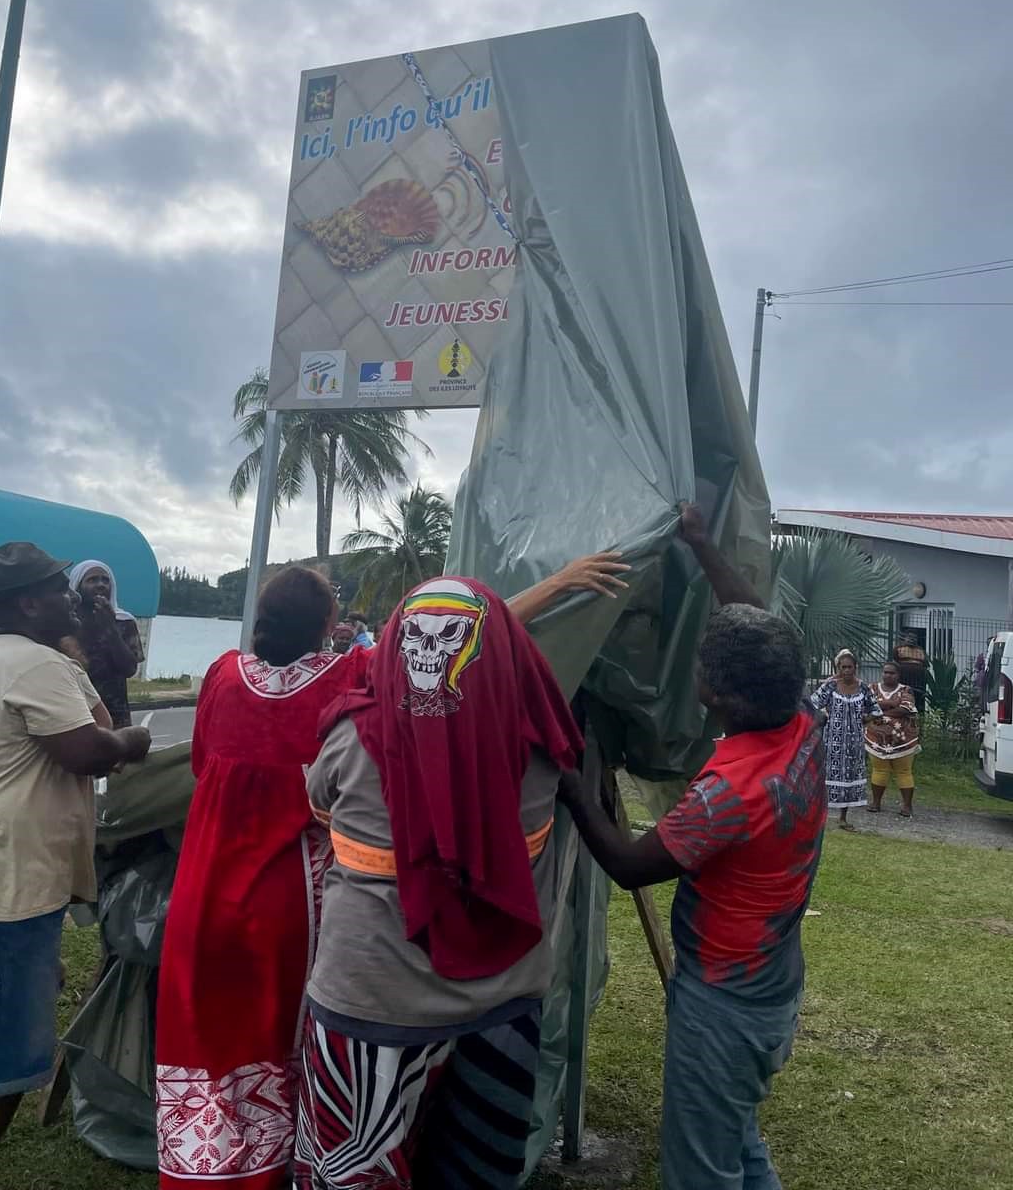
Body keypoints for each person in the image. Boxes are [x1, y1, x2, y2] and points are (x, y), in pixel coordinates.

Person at [157, 552, 627, 1190]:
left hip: (238, 911)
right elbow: (477, 634)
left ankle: (225, 1166)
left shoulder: (268, 694)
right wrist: (563, 584)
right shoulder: (533, 753)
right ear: (330, 624)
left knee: (237, 1050)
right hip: (423, 962)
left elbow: (301, 788)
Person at [558, 505, 825, 1190]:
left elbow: (627, 866)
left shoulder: (726, 795)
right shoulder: (800, 729)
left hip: (723, 1008)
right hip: (770, 985)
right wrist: (703, 544)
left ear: (718, 695)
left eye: (703, 665)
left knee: (700, 1170)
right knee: (738, 1145)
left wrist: (571, 781)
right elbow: (756, 622)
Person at [292, 577, 586, 1190]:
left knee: (352, 1170)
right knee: (478, 1168)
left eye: (446, 640)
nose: (428, 657)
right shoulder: (538, 747)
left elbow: (319, 809)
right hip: (501, 998)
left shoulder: (350, 737)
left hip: (370, 995)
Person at [0, 543, 150, 1190]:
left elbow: (99, 717)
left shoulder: (28, 657)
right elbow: (94, 748)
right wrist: (133, 746)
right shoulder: (32, 664)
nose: (75, 598)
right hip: (4, 887)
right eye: (61, 589)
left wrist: (79, 661)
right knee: (3, 1061)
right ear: (29, 601)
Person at [68, 560, 143, 728]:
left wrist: (110, 629)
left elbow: (130, 669)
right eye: (92, 580)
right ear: (77, 586)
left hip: (115, 714)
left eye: (105, 580)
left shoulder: (124, 621)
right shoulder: (66, 623)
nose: (101, 585)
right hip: (74, 711)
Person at [811, 650, 876, 830]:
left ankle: (843, 817)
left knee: (849, 776)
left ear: (856, 667)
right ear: (838, 668)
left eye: (850, 667)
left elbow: (875, 710)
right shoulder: (830, 686)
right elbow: (812, 704)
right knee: (826, 776)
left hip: (854, 742)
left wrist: (865, 719)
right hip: (832, 741)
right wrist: (824, 717)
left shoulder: (863, 688)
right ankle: (819, 816)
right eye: (843, 667)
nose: (847, 670)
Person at [866, 661, 920, 817]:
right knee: (879, 769)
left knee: (904, 771)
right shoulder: (872, 688)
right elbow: (868, 705)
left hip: (903, 739)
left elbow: (905, 708)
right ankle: (876, 803)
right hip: (876, 739)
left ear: (898, 675)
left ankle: (907, 806)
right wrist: (890, 703)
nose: (887, 675)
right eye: (885, 672)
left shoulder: (906, 689)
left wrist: (879, 709)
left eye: (892, 673)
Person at [893, 629, 927, 713]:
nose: (912, 639)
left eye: (914, 638)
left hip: (918, 682)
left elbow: (925, 663)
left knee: (918, 699)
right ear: (905, 638)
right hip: (904, 679)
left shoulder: (921, 650)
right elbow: (895, 661)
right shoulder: (898, 648)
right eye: (910, 637)